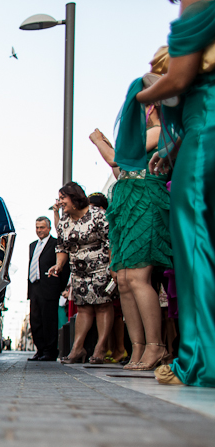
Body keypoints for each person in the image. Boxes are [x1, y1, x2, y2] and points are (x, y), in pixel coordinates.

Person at [136, 0, 215, 387]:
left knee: (197, 243)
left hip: (207, 137)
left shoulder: (199, 1)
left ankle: (204, 360)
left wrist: (139, 93)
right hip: (199, 134)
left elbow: (181, 78)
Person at [92, 103, 173, 372]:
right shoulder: (143, 134)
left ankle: (156, 346)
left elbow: (118, 159)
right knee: (125, 280)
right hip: (127, 206)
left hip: (146, 203)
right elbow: (120, 173)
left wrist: (98, 142)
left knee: (138, 277)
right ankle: (137, 346)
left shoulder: (160, 130)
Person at [48, 182, 117, 364]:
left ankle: (100, 348)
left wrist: (113, 266)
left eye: (63, 198)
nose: (60, 202)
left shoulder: (98, 215)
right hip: (78, 271)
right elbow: (62, 246)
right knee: (84, 308)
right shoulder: (64, 222)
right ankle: (77, 348)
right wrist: (58, 265)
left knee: (102, 306)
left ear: (75, 198)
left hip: (101, 266)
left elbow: (110, 241)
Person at [27, 216, 68, 361]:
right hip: (35, 286)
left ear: (49, 228)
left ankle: (50, 351)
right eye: (37, 227)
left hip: (50, 287)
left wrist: (62, 287)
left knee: (48, 320)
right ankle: (40, 349)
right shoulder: (33, 245)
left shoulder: (56, 244)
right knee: (35, 320)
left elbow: (64, 266)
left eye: (42, 227)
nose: (39, 230)